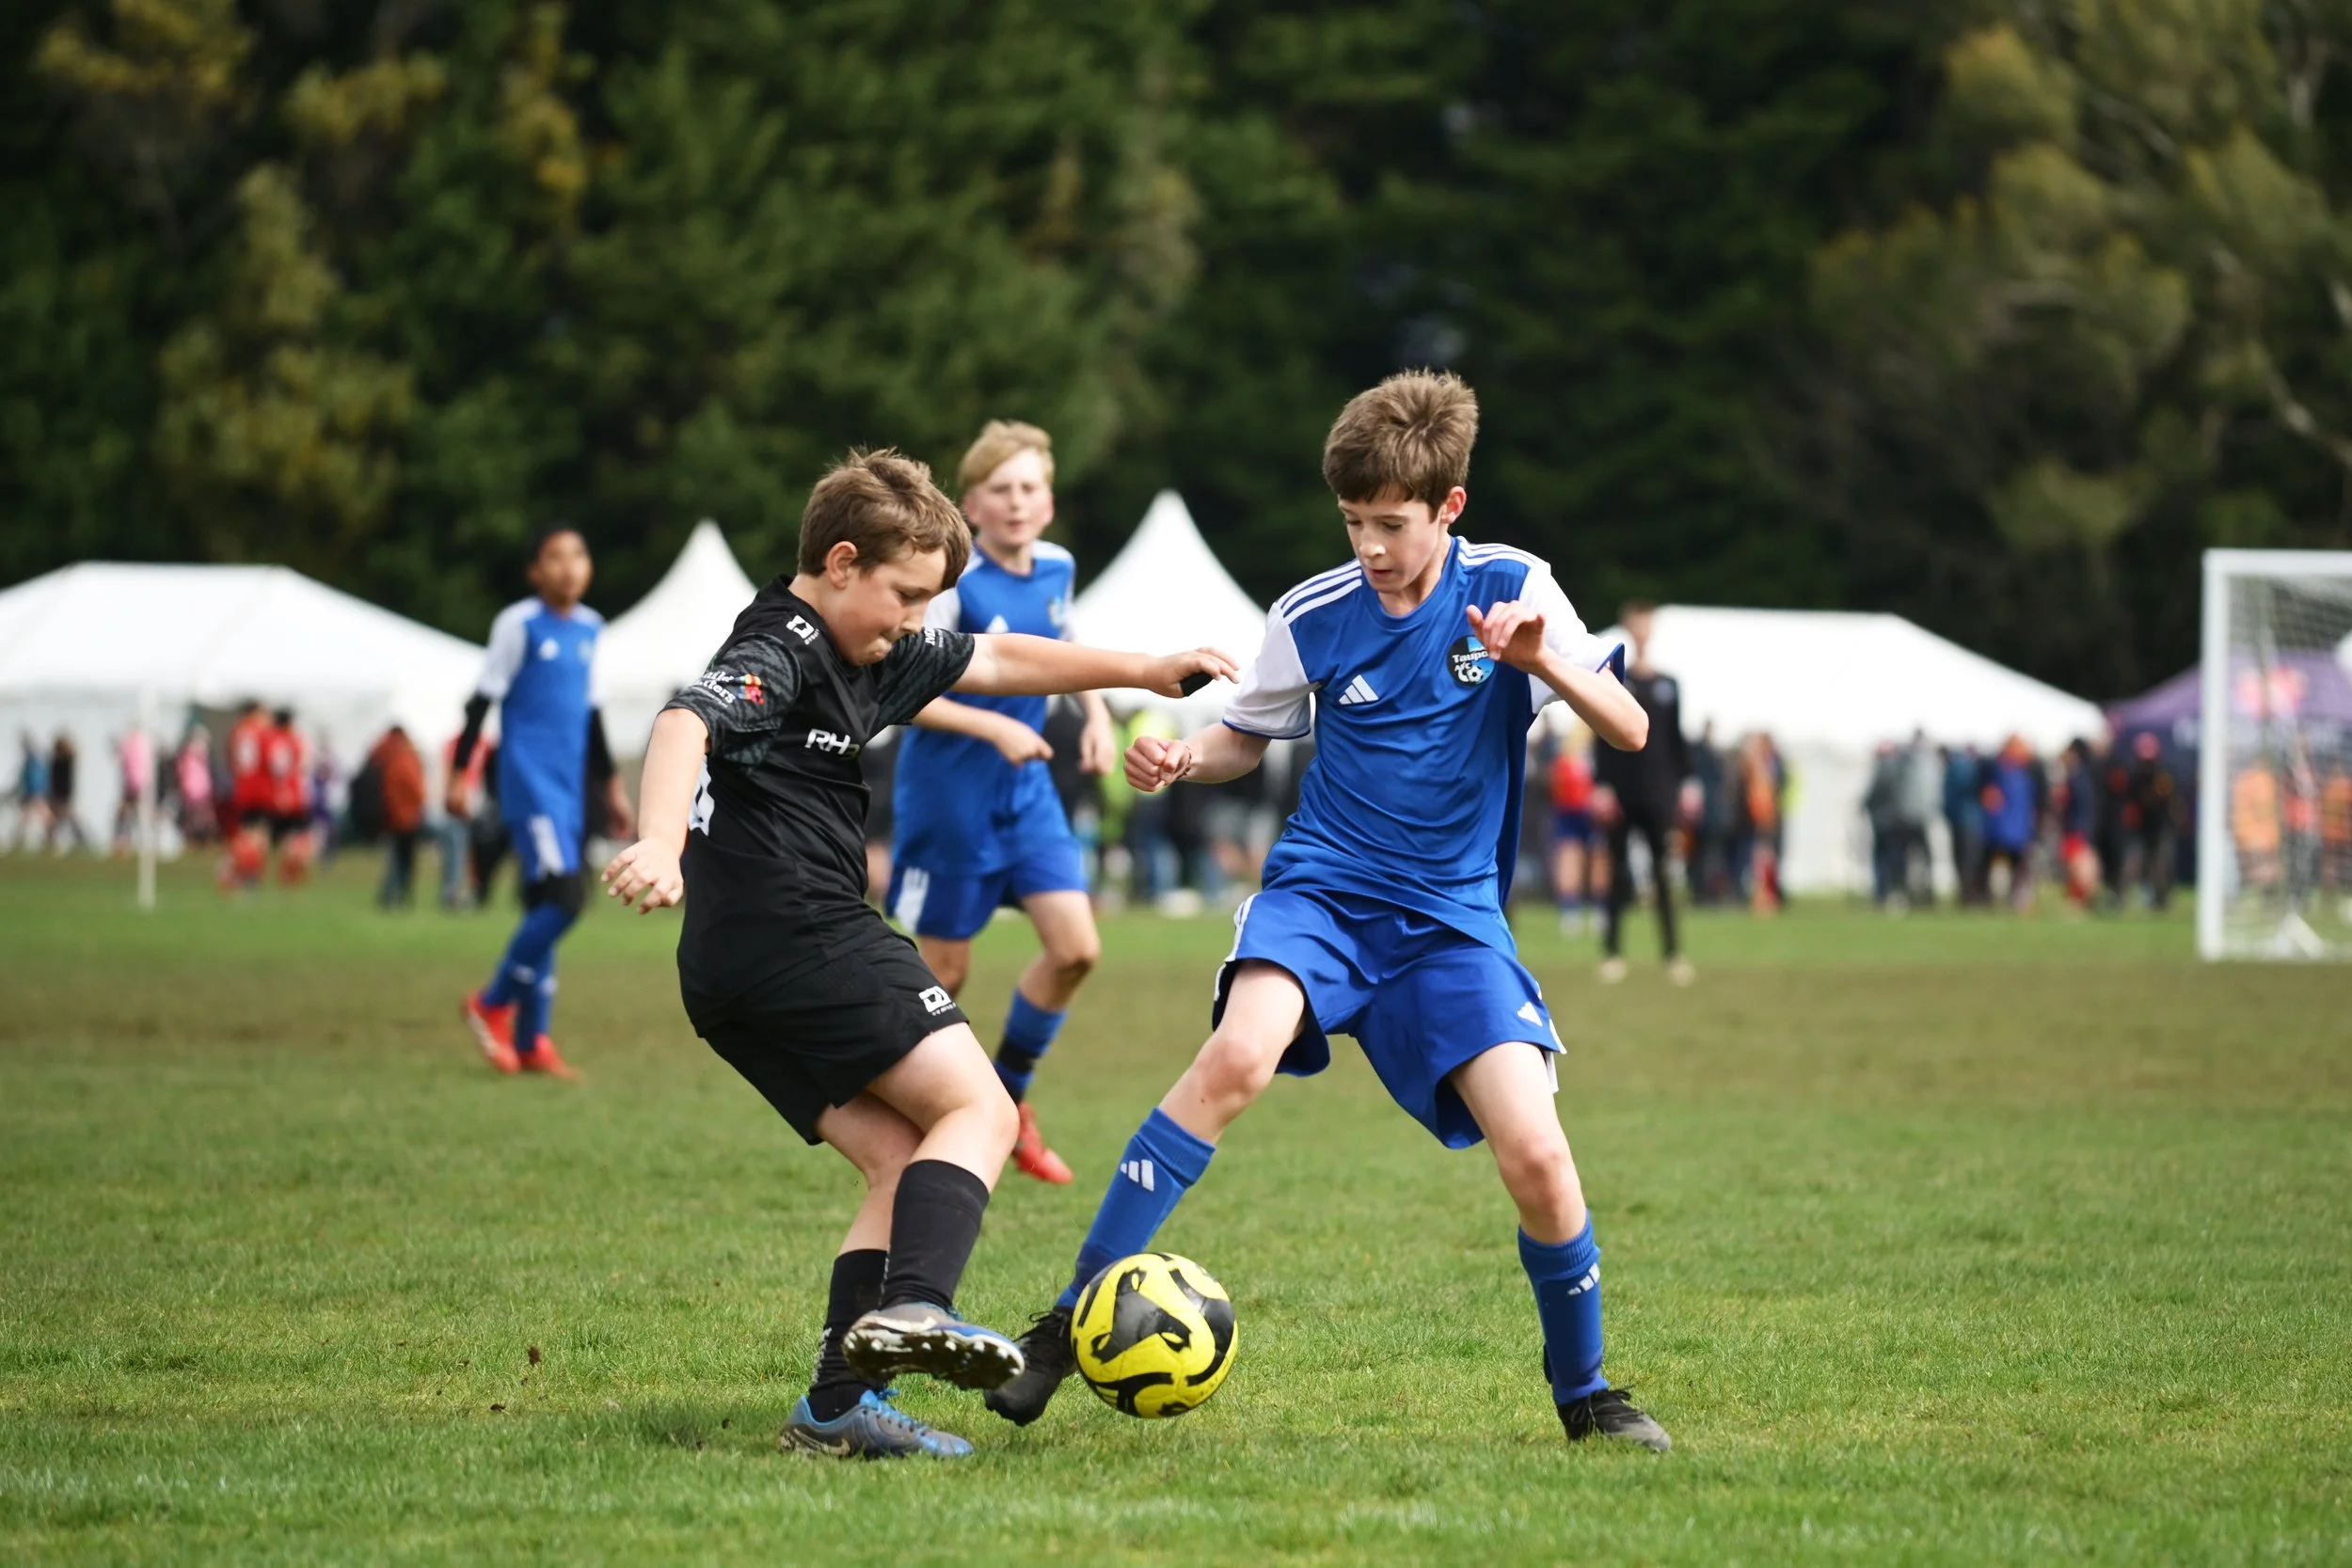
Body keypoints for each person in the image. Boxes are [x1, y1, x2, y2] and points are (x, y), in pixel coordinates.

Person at [976, 371, 1673, 1453]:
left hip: (1450, 922)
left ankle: (1586, 1393)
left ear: (1448, 506)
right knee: (1234, 1061)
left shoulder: (1511, 586)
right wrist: (1180, 756)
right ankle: (1068, 1322)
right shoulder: (1313, 612)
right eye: (1352, 523)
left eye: (1390, 523)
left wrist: (1543, 665)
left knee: (1537, 1154)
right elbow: (1243, 733)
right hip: (1323, 895)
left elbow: (1628, 727)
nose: (1369, 546)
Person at [600, 448, 1232, 1461]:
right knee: (979, 1106)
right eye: (901, 596)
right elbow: (684, 721)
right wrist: (661, 840)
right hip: (800, 931)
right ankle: (924, 1308)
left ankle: (834, 1408)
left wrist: (1140, 669)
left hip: (730, 970)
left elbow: (996, 658)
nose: (909, 621)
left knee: (901, 1161)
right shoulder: (788, 642)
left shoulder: (863, 650)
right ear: (840, 561)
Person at [886, 421, 1119, 1184]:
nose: (1017, 503)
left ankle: (1008, 1104)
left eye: (1029, 488)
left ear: (1048, 501)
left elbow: (1064, 642)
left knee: (1076, 947)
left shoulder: (1058, 566)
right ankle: (918, 1117)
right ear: (971, 505)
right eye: (1000, 490)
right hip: (949, 800)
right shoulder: (952, 584)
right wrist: (991, 725)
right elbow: (900, 694)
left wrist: (1098, 716)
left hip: (1027, 793)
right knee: (942, 975)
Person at [452, 525, 635, 1079]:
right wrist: (460, 774)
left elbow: (593, 715)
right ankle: (491, 1002)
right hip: (529, 784)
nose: (569, 567)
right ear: (535, 571)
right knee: (566, 897)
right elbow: (481, 701)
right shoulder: (518, 624)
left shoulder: (590, 628)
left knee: (544, 905)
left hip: (570, 787)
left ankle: (533, 1040)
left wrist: (611, 787)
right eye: (554, 558)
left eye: (578, 555)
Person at [1592, 602, 1692, 985]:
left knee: (1664, 875)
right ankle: (1613, 953)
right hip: (1620, 792)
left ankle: (1672, 953)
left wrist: (1687, 784)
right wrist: (1602, 785)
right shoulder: (1615, 679)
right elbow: (1602, 735)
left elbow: (1676, 741)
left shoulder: (1668, 684)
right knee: (1616, 874)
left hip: (1660, 794)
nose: (1642, 630)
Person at [371, 725, 428, 909]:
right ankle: (401, 895)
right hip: (406, 816)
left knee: (395, 857)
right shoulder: (404, 757)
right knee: (404, 859)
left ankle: (389, 895)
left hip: (389, 815)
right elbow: (415, 788)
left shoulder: (381, 753)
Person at [1546, 726, 1597, 933]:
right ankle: (1571, 910)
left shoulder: (1595, 749)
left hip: (1590, 811)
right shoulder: (1565, 758)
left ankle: (1596, 909)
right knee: (1570, 859)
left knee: (1596, 859)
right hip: (1571, 810)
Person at [263, 708, 313, 884]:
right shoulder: (293, 740)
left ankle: (284, 874)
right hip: (292, 795)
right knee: (292, 839)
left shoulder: (273, 740)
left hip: (280, 795)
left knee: (280, 838)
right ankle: (288, 875)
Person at [47, 733, 86, 852]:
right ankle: (54, 843)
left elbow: (76, 752)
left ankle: (81, 840)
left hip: (64, 796)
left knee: (68, 820)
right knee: (58, 821)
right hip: (59, 795)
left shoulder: (67, 760)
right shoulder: (56, 761)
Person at [12, 733, 52, 850]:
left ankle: (49, 840)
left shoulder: (32, 760)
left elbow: (35, 779)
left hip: (34, 794)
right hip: (33, 793)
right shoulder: (32, 760)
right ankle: (21, 841)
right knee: (27, 819)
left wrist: (36, 792)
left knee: (40, 818)